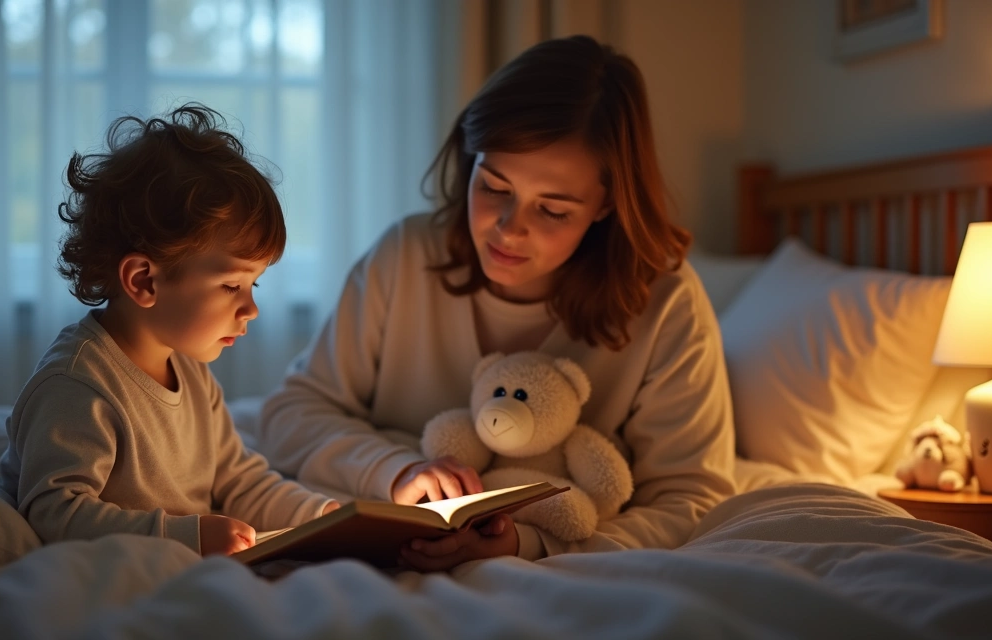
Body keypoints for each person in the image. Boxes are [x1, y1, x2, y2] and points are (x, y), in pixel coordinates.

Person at [253, 36, 735, 571]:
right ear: (470, 159)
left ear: (605, 205)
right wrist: (395, 470)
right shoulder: (405, 255)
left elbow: (690, 496)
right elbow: (291, 413)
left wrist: (528, 546)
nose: (509, 230)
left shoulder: (665, 301)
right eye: (494, 186)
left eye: (552, 210)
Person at [0, 104, 339, 558]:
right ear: (144, 281)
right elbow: (54, 511)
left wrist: (324, 516)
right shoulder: (78, 386)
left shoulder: (191, 371)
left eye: (252, 285)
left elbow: (240, 481)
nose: (251, 309)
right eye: (231, 286)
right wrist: (186, 536)